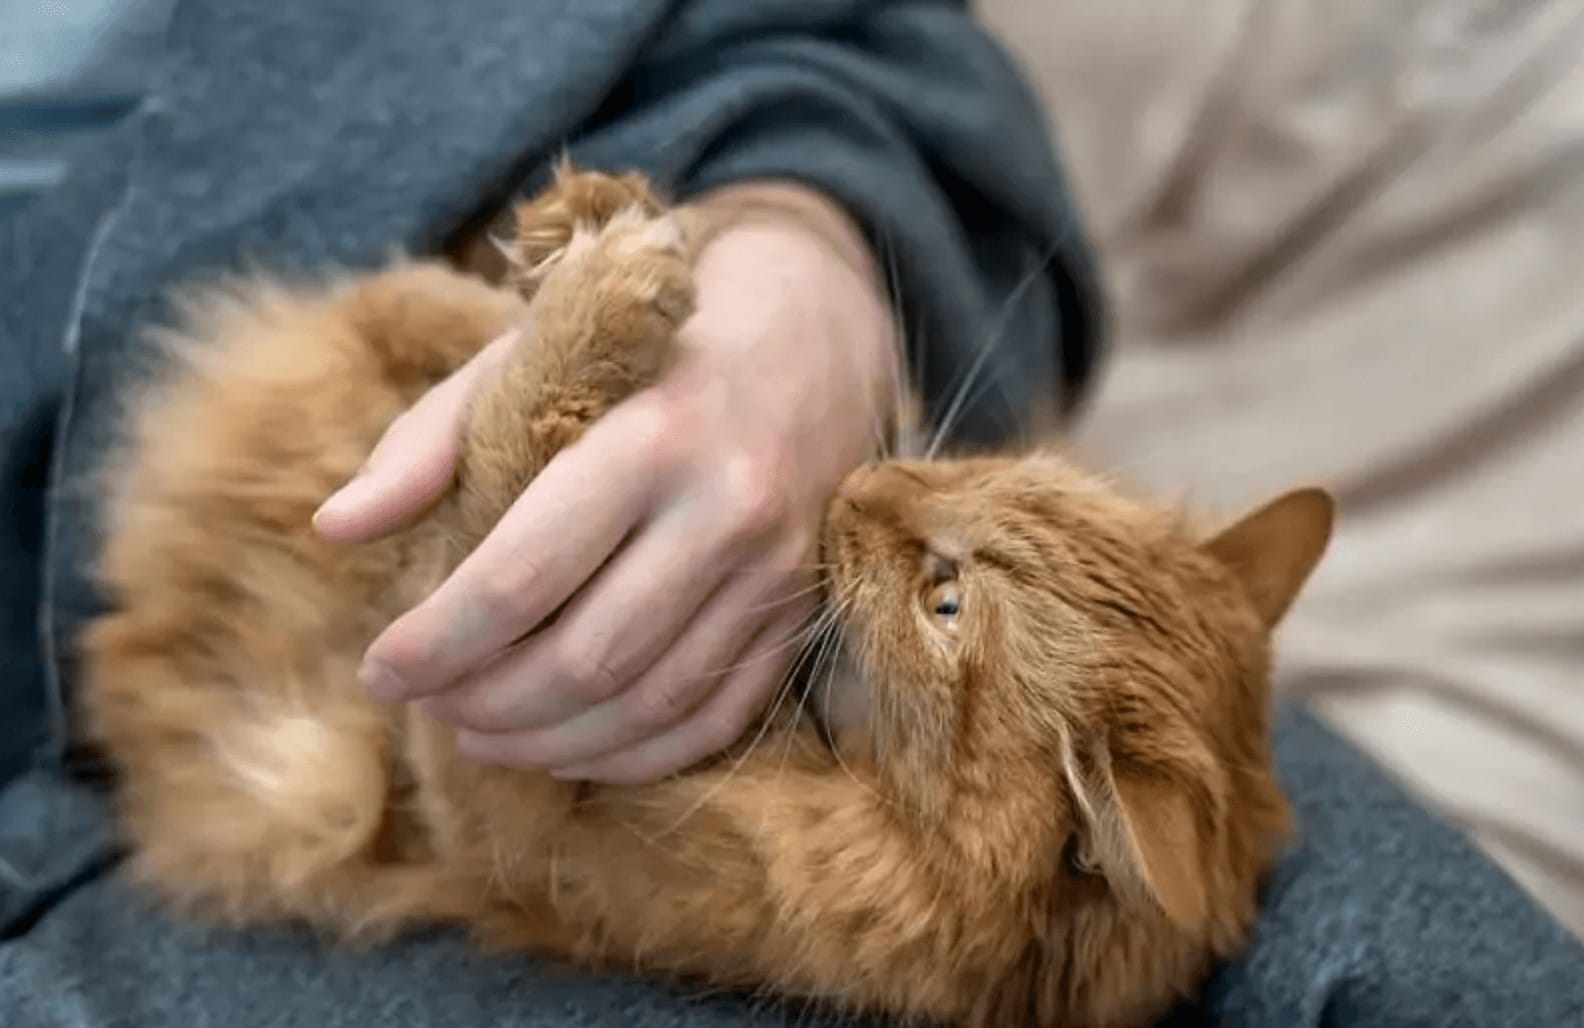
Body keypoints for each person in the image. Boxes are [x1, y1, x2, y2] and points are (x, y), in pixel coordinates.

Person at [1, 2, 1581, 1026]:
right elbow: (497, 787)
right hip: (226, 717)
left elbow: (876, 48)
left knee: (1449, 977)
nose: (897, 494)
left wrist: (815, 249)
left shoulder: (1063, 762)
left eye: (955, 565)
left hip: (661, 373)